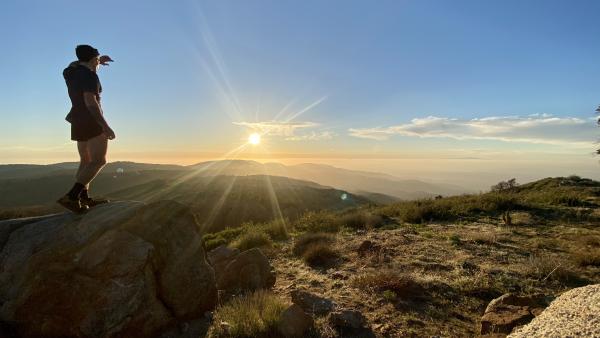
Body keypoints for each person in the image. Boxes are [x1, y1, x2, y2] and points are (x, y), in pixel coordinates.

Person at [57, 44, 116, 213]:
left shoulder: (70, 72)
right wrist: (105, 126)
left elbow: (77, 65)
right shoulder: (90, 76)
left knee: (86, 161)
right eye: (97, 58)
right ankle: (72, 196)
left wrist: (96, 62)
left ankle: (84, 198)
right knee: (99, 161)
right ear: (91, 59)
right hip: (92, 120)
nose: (99, 61)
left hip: (77, 120)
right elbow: (91, 102)